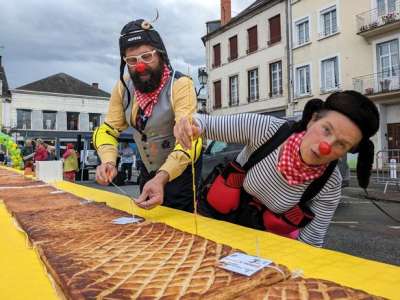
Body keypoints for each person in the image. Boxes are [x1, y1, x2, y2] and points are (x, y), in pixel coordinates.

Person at [174, 91, 380, 247]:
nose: (326, 146)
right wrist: (190, 125)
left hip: (259, 243)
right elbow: (205, 123)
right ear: (312, 119)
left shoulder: (330, 184)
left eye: (341, 145)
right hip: (213, 218)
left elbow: (310, 243)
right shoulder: (267, 129)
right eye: (326, 129)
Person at [93, 18, 202, 212]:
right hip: (147, 170)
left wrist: (162, 177)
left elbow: (190, 137)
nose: (140, 66)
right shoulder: (123, 88)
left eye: (146, 56)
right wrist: (108, 161)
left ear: (160, 54)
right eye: (132, 61)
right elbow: (108, 130)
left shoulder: (181, 85)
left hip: (182, 174)